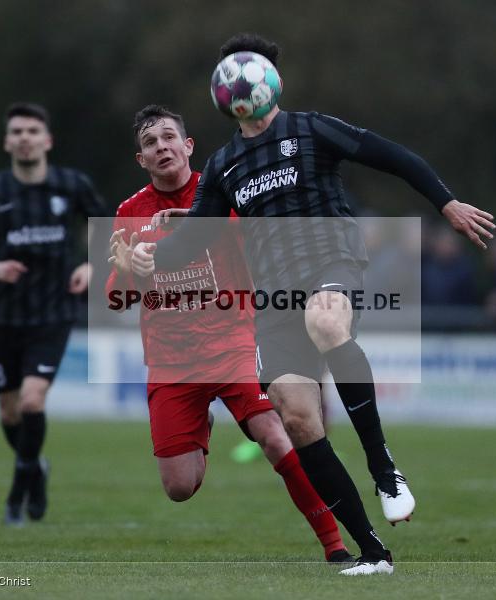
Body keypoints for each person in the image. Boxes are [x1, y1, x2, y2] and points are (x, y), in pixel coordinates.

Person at [131, 34, 495, 575]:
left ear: (269, 85)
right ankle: (373, 551)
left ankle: (383, 465)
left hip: (332, 261)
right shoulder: (226, 164)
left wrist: (446, 202)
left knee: (326, 320)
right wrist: (149, 259)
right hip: (275, 294)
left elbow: (391, 157)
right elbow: (196, 240)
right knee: (298, 419)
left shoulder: (310, 128)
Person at [107, 105, 352, 563]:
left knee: (276, 437)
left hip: (235, 343)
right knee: (180, 488)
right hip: (171, 360)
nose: (161, 146)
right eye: (149, 143)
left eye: (168, 137)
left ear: (188, 145)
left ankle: (334, 546)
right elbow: (116, 295)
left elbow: (255, 238)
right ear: (140, 159)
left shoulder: (221, 189)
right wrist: (126, 273)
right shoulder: (129, 212)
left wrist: (189, 223)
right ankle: (203, 423)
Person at [0, 102, 107, 525]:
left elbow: (110, 228)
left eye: (32, 130)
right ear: (7, 141)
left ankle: (22, 483)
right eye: (16, 131)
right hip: (6, 316)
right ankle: (36, 466)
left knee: (32, 400)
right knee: (9, 413)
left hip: (53, 312)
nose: (24, 137)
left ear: (47, 140)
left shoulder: (72, 186)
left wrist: (92, 264)